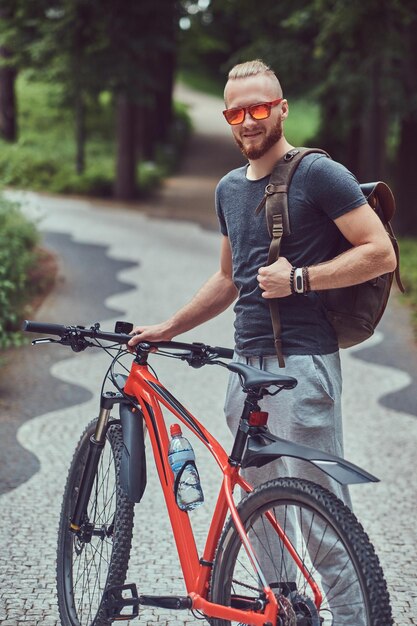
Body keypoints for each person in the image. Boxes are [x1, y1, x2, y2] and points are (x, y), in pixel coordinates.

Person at [129, 58, 396, 507]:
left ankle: (351, 583)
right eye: (236, 113)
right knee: (259, 509)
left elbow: (379, 253)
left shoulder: (319, 174)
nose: (248, 122)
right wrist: (168, 328)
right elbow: (228, 277)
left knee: (321, 511)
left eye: (258, 109)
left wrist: (298, 279)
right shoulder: (229, 189)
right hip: (245, 365)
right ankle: (280, 584)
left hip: (303, 363)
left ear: (282, 108)